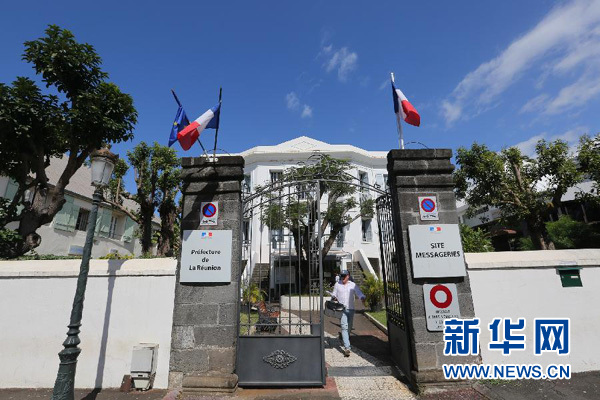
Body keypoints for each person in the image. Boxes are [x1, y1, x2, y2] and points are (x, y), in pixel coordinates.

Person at [331, 269, 365, 357]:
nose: (342, 278)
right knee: (344, 327)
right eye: (341, 276)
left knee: (349, 327)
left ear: (348, 276)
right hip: (341, 309)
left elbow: (359, 293)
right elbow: (334, 294)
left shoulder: (352, 285)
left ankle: (345, 338)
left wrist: (362, 297)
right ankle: (347, 348)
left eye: (344, 276)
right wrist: (334, 297)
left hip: (351, 309)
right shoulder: (337, 284)